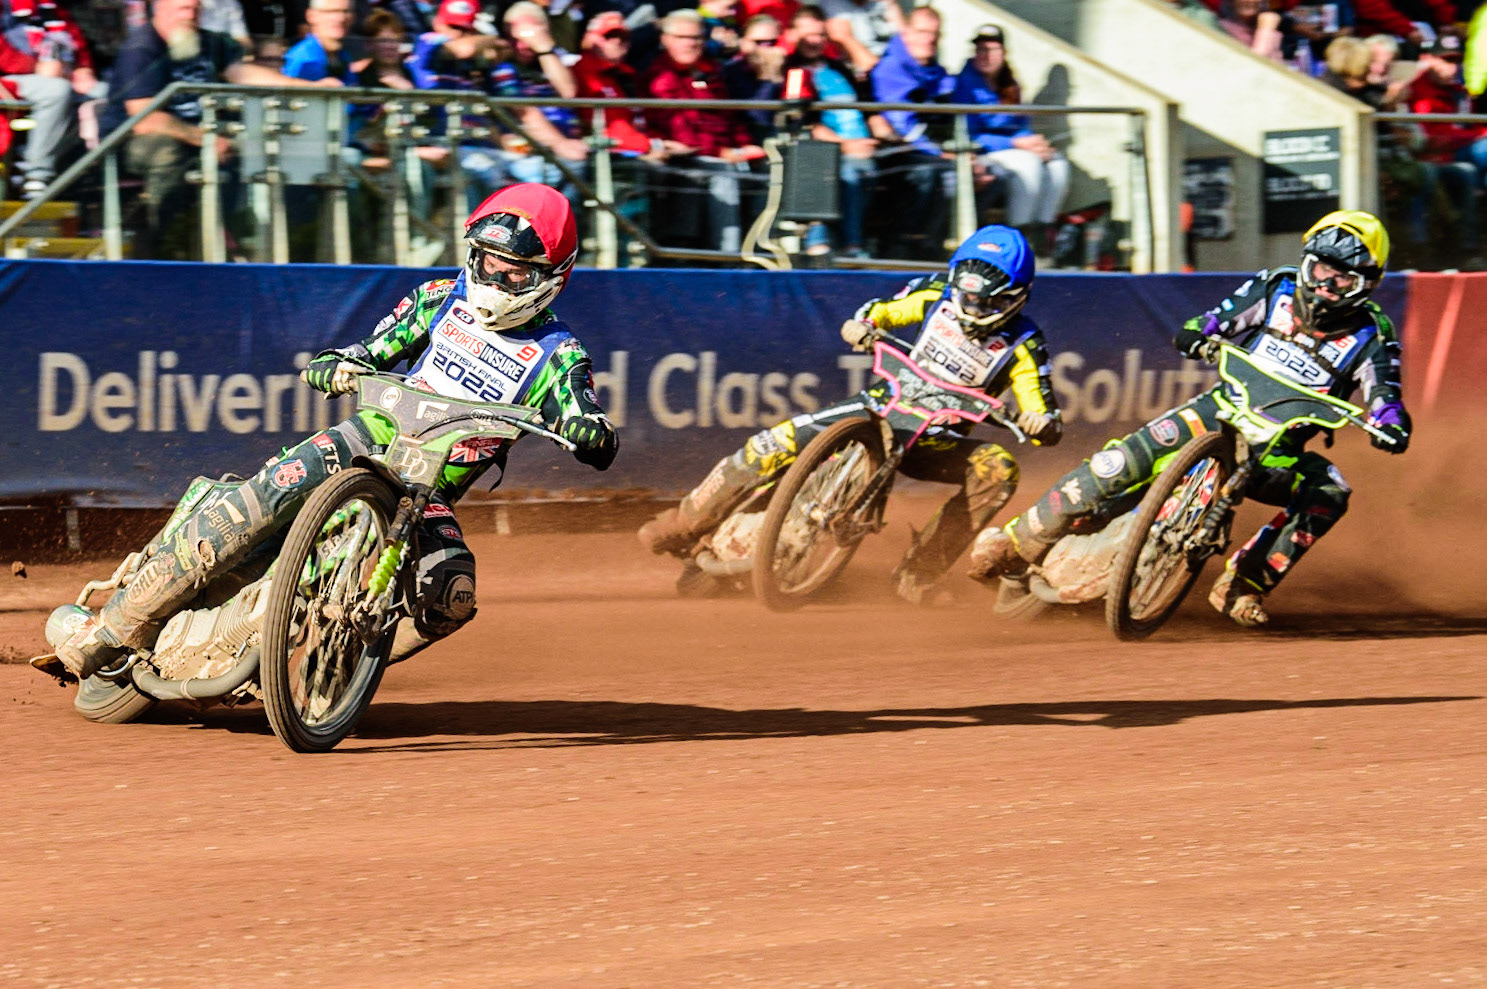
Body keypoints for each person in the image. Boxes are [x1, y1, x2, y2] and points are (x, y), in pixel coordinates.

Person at [50, 184, 620, 681]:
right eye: (487, 260)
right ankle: (113, 626)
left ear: (553, 277)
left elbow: (586, 413)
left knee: (452, 594)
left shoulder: (559, 354)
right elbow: (370, 350)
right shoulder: (437, 300)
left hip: (429, 491)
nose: (495, 277)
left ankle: (345, 658)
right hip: (366, 436)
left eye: (514, 270)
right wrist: (338, 362)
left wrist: (588, 429)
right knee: (266, 493)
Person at [968, 211, 1411, 628]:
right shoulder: (1275, 287)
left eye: (1343, 278)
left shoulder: (1373, 335)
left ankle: (1245, 584)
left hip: (1279, 454)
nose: (1326, 285)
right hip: (1216, 413)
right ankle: (1017, 539)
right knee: (1119, 462)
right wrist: (1201, 335)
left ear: (1365, 285)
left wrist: (1389, 423)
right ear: (1305, 264)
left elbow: (1384, 393)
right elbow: (1213, 321)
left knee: (1331, 492)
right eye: (1320, 271)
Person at [637, 224, 1062, 604]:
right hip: (877, 408)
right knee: (770, 443)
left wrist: (1038, 423)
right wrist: (860, 326)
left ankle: (919, 575)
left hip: (936, 441)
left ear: (1014, 298)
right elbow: (880, 311)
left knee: (999, 468)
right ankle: (683, 524)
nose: (969, 306)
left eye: (983, 302)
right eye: (964, 294)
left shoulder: (1024, 343)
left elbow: (1042, 412)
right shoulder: (936, 293)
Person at [104, 0, 343, 258]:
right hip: (134, 140)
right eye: (183, 8)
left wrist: (307, 87)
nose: (191, 15)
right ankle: (167, 247)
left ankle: (257, 243)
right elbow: (144, 118)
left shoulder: (209, 43)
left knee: (262, 147)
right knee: (168, 152)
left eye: (195, 9)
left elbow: (242, 73)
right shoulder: (142, 48)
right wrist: (205, 138)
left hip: (199, 135)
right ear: (159, 8)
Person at [952, 24, 1069, 249]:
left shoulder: (1009, 83)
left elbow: (1020, 124)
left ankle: (1042, 231)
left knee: (1056, 163)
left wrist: (1035, 143)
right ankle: (1019, 234)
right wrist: (1017, 143)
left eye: (992, 49)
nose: (985, 56)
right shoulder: (965, 83)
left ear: (1004, 53)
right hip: (983, 150)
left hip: (1013, 148)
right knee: (1029, 165)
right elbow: (970, 133)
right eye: (980, 49)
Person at [869, 5, 955, 259]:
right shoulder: (891, 69)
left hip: (928, 150)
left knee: (987, 173)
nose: (928, 39)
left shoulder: (937, 72)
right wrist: (940, 154)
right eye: (921, 31)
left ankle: (936, 241)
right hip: (895, 152)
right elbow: (902, 125)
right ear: (905, 33)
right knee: (935, 171)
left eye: (934, 34)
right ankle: (904, 245)